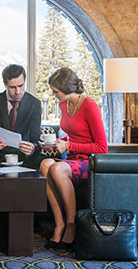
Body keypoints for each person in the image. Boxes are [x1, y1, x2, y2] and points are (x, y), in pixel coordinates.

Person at [40, 67, 108, 250]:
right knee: (45, 164)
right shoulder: (64, 104)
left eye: (56, 91)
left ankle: (71, 225)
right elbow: (72, 135)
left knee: (57, 168)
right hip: (71, 159)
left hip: (89, 162)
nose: (53, 94)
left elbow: (102, 147)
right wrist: (55, 143)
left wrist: (69, 146)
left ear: (68, 88)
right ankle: (59, 223)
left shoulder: (90, 107)